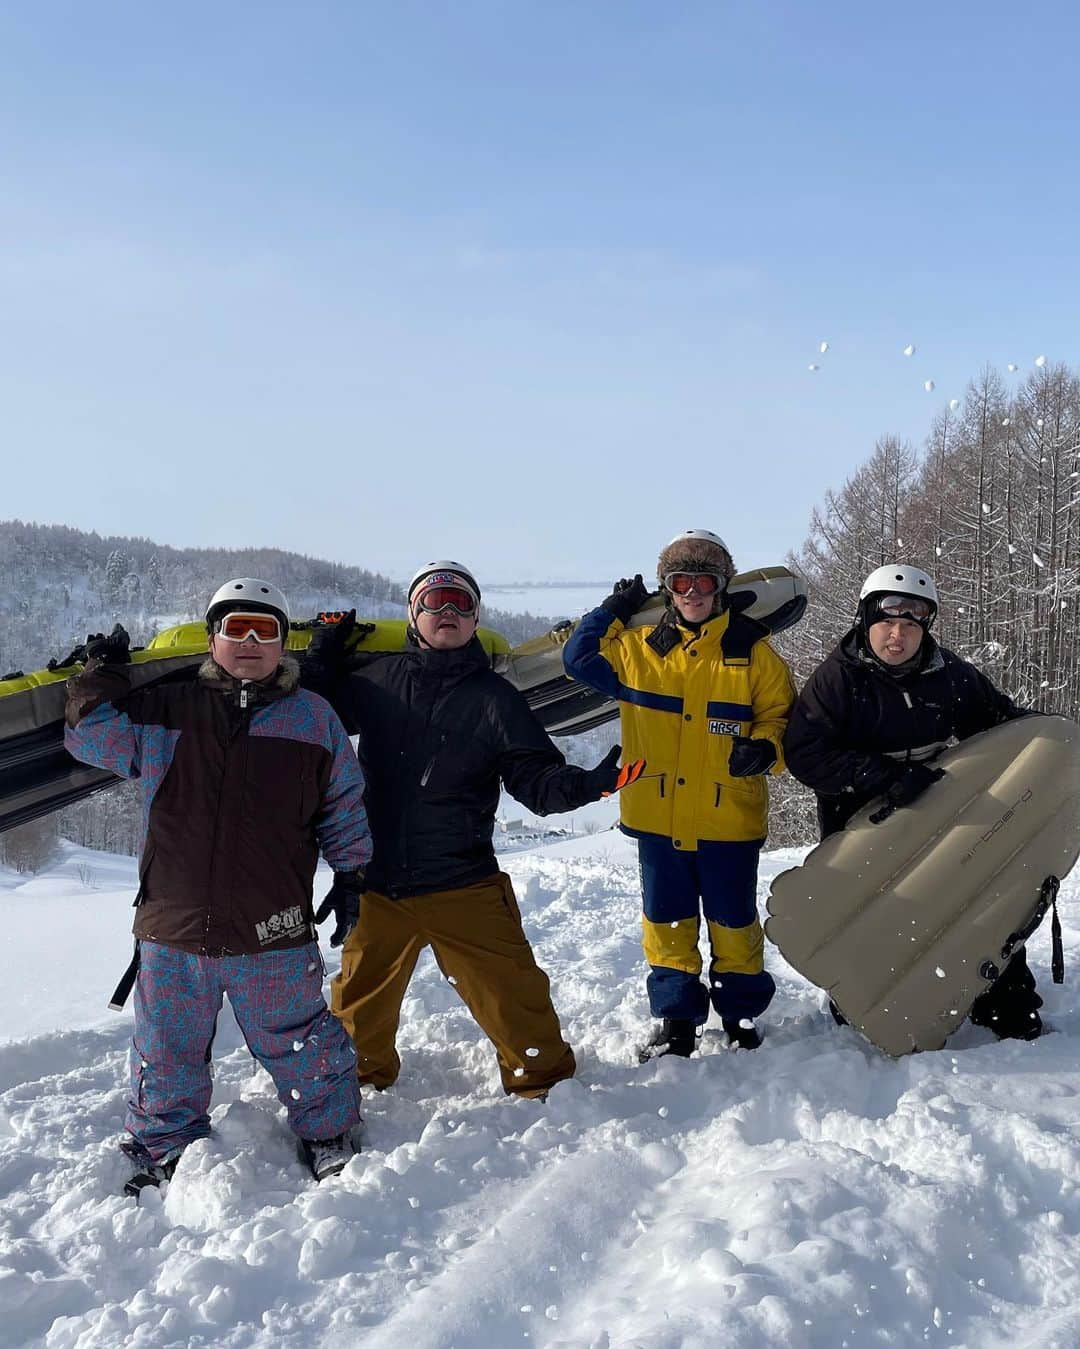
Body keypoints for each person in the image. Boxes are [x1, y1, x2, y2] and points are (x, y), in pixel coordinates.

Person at [64, 578, 373, 1192]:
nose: (251, 641)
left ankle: (330, 1133)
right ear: (213, 639)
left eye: (266, 630)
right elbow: (89, 734)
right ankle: (163, 1144)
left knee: (299, 1039)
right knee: (167, 1046)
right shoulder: (168, 710)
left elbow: (343, 801)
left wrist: (352, 870)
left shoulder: (313, 718)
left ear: (284, 643)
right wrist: (100, 675)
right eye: (237, 628)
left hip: (274, 925)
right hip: (173, 925)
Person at [303, 560, 632, 1099]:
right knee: (357, 1015)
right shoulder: (376, 683)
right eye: (435, 601)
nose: (448, 611)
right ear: (414, 613)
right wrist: (321, 659)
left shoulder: (494, 699)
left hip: (464, 882)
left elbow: (534, 776)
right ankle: (354, 1088)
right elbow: (309, 717)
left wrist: (585, 785)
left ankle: (545, 1088)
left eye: (461, 603)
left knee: (518, 1006)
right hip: (379, 883)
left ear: (476, 618)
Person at [783, 562, 1043, 1040]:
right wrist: (879, 777)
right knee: (871, 912)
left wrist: (1048, 736)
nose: (897, 636)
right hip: (860, 819)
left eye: (909, 625)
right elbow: (804, 752)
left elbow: (1001, 723)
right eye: (886, 623)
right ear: (866, 621)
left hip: (939, 811)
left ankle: (1003, 996)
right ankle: (862, 996)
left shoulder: (951, 677)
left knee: (978, 898)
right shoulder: (838, 680)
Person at [563, 530, 796, 1058]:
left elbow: (781, 718)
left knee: (734, 924)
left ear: (721, 588)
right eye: (680, 581)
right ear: (668, 589)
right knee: (667, 923)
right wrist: (615, 608)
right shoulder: (638, 650)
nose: (692, 592)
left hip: (728, 819)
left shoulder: (752, 653)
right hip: (657, 818)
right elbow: (578, 657)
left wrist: (764, 749)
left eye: (704, 581)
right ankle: (678, 1023)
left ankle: (739, 1016)